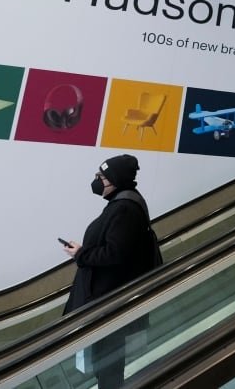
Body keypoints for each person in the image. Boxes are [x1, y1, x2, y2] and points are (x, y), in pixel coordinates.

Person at [61, 153, 157, 389]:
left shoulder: (124, 208)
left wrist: (81, 254)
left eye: (101, 176)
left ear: (115, 179)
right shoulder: (122, 204)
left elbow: (115, 253)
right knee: (106, 361)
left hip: (109, 301)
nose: (96, 181)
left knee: (109, 362)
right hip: (108, 299)